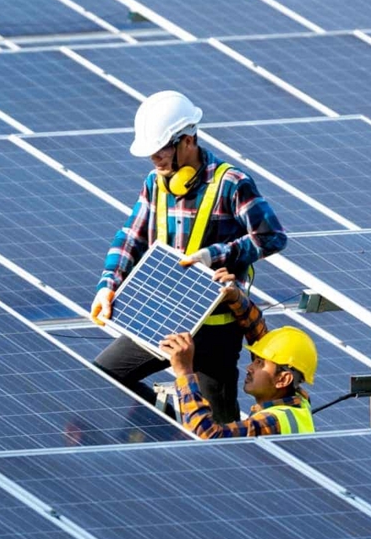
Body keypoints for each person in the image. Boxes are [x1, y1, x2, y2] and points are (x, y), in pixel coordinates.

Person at [91, 91, 287, 422]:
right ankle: (163, 417)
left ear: (188, 140)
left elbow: (272, 237)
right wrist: (108, 284)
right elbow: (131, 237)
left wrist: (216, 255)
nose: (155, 157)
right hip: (161, 319)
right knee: (101, 377)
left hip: (215, 331)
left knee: (217, 431)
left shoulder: (231, 183)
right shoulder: (155, 183)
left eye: (162, 148)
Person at [159, 272, 318, 438]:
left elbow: (207, 436)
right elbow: (260, 336)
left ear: (284, 379)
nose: (249, 367)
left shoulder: (272, 421)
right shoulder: (298, 402)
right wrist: (235, 297)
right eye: (255, 360)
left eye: (260, 363)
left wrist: (184, 372)